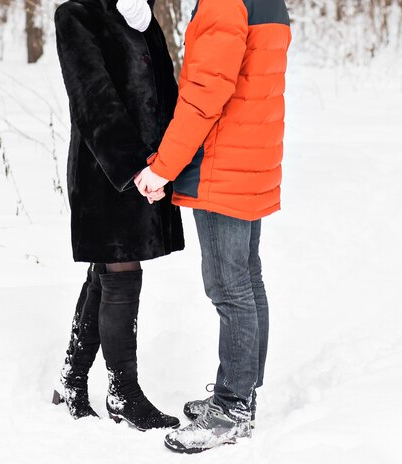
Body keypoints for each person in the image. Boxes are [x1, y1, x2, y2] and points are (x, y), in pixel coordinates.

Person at [135, 0, 291, 453]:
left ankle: (232, 409)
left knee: (229, 287)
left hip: (225, 163)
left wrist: (163, 167)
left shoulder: (223, 3)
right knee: (247, 279)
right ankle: (241, 394)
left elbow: (205, 93)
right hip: (252, 157)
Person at [52, 0, 185, 431]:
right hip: (106, 173)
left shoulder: (141, 14)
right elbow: (92, 98)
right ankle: (123, 393)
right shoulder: (76, 14)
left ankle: (71, 378)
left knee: (105, 273)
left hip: (152, 167)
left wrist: (168, 161)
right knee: (122, 273)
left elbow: (166, 89)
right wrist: (135, 167)